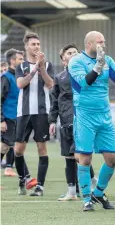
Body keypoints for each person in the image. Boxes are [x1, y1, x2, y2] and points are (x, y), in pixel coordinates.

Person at [68, 31, 115, 211]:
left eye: (104, 41)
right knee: (85, 159)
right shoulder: (76, 61)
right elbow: (83, 83)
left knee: (112, 158)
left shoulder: (107, 59)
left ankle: (99, 192)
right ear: (89, 44)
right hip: (85, 116)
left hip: (104, 116)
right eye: (100, 42)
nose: (104, 44)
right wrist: (97, 67)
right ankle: (86, 199)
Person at [49, 43, 97, 201]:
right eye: (69, 53)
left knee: (79, 155)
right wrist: (51, 121)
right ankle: (71, 191)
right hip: (65, 122)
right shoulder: (59, 78)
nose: (73, 54)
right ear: (64, 60)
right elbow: (55, 101)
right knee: (69, 157)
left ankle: (92, 182)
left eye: (75, 52)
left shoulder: (86, 73)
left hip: (82, 120)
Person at [14, 32, 54, 196]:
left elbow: (50, 83)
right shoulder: (20, 67)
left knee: (41, 149)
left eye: (38, 44)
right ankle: (23, 178)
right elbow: (20, 84)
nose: (36, 47)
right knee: (18, 150)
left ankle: (40, 187)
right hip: (23, 113)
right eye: (33, 44)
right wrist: (34, 69)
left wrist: (41, 67)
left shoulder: (48, 65)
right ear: (26, 47)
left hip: (41, 113)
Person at [1, 49, 37, 190]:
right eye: (20, 59)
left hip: (18, 117)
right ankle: (27, 178)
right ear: (12, 61)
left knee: (7, 147)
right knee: (12, 147)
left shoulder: (18, 76)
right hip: (8, 118)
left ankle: (25, 178)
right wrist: (1, 119)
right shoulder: (6, 78)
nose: (23, 61)